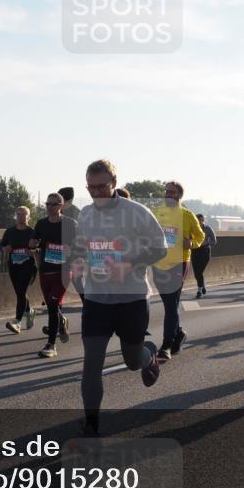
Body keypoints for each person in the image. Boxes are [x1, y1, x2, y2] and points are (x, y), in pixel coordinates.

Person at [71, 160, 165, 437]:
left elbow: (160, 248)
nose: (95, 192)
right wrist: (79, 263)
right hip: (97, 299)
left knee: (132, 360)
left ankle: (147, 355)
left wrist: (130, 263)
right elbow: (82, 248)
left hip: (132, 299)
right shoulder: (85, 215)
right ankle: (92, 424)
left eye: (101, 187)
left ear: (114, 183)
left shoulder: (137, 212)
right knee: (92, 364)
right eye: (90, 187)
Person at [151, 182, 206, 362]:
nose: (168, 194)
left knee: (171, 303)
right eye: (167, 191)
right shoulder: (157, 212)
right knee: (170, 304)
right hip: (159, 263)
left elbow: (200, 236)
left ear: (180, 196)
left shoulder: (187, 215)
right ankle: (179, 333)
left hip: (179, 263)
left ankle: (166, 345)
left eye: (172, 192)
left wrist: (192, 243)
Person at [30, 194, 78, 358]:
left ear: (61, 206)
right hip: (45, 270)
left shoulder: (70, 224)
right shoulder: (41, 223)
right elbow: (34, 241)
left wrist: (71, 250)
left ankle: (51, 345)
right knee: (52, 305)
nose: (50, 207)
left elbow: (80, 245)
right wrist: (32, 244)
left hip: (63, 271)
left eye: (54, 204)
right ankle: (61, 320)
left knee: (52, 304)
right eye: (47, 204)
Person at [0, 207, 37, 334]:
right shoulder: (10, 231)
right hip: (14, 266)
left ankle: (17, 322)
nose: (21, 217)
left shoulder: (33, 232)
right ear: (15, 216)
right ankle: (29, 310)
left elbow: (40, 248)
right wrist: (6, 248)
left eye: (24, 214)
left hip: (28, 266)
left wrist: (33, 251)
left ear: (28, 217)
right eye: (18, 214)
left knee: (21, 292)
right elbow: (2, 245)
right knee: (20, 293)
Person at [59, 187, 84, 303]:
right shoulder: (77, 211)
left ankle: (87, 304)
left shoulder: (72, 212)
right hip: (67, 252)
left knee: (76, 280)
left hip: (73, 252)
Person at [191, 213, 217, 299]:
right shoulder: (192, 228)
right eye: (197, 220)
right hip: (195, 251)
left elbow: (214, 241)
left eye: (200, 220)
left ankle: (199, 291)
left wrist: (206, 242)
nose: (199, 222)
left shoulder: (208, 229)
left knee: (199, 272)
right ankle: (202, 286)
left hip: (205, 251)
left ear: (203, 220)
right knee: (196, 273)